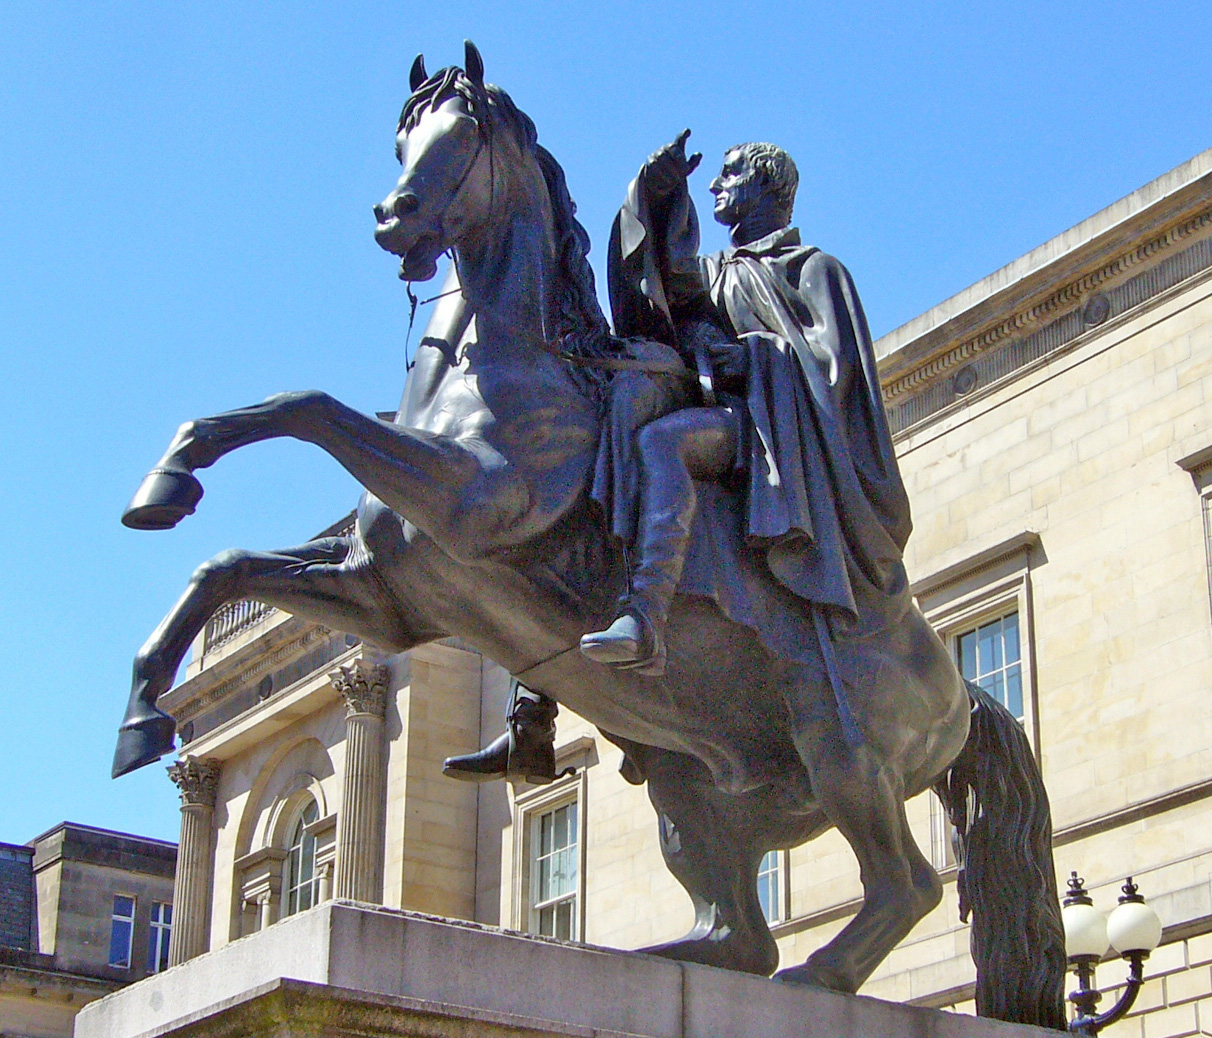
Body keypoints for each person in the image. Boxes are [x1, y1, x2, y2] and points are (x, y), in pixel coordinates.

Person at [445, 133, 912, 778]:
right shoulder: (720, 269)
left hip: (769, 438)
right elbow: (668, 292)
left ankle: (645, 616)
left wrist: (747, 356)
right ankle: (531, 718)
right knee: (587, 453)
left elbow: (834, 373)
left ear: (765, 185)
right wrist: (655, 193)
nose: (717, 185)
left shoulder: (814, 268)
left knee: (661, 442)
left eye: (730, 175)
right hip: (713, 409)